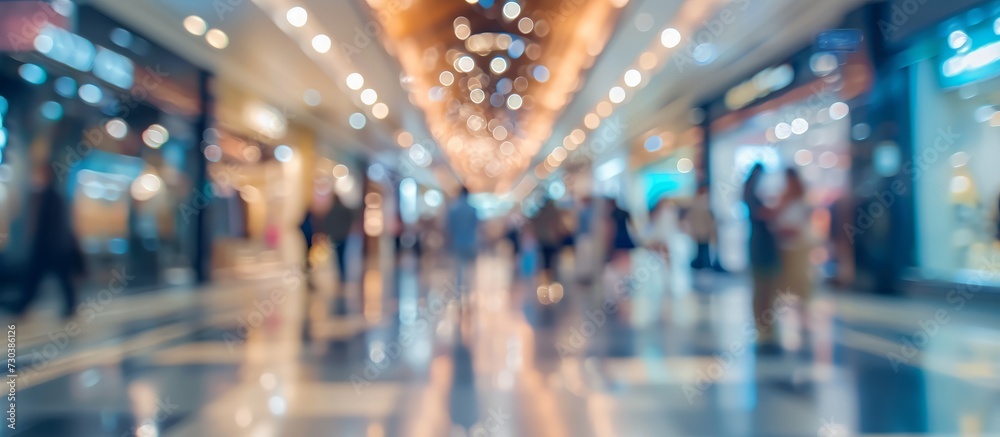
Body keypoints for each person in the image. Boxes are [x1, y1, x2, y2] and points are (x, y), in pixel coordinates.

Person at [13, 166, 83, 318]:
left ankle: (23, 306)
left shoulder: (48, 197)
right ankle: (69, 307)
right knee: (58, 280)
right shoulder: (56, 196)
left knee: (36, 278)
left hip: (49, 248)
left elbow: (46, 226)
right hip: (58, 248)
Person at [774, 168, 814, 345]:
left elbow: (802, 222)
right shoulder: (784, 197)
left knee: (800, 282)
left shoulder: (801, 198)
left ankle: (803, 318)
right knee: (784, 283)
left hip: (798, 244)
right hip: (784, 246)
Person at [744, 164, 781, 351]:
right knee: (763, 288)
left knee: (764, 288)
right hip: (762, 246)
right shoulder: (753, 197)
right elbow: (765, 214)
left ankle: (765, 326)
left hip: (760, 245)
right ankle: (763, 326)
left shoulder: (751, 194)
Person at [446, 187, 480, 294]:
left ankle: (459, 293)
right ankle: (470, 291)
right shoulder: (473, 210)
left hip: (458, 243)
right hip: (471, 242)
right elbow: (476, 227)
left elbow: (449, 228)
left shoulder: (453, 210)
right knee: (471, 270)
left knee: (459, 270)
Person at [685, 184, 721, 271]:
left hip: (702, 230)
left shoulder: (698, 202)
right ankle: (704, 265)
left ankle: (703, 265)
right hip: (703, 230)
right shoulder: (703, 202)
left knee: (703, 249)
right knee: (703, 250)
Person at [532, 198, 567, 286]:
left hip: (543, 239)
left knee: (545, 261)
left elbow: (534, 223)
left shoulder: (540, 212)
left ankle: (545, 282)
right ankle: (551, 281)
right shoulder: (553, 211)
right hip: (551, 239)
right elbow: (558, 223)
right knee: (552, 261)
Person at [325, 193, 355, 286]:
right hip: (343, 236)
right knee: (342, 255)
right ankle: (342, 274)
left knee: (338, 256)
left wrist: (329, 232)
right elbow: (350, 220)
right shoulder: (344, 209)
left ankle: (340, 274)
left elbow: (328, 222)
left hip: (335, 236)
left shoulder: (332, 210)